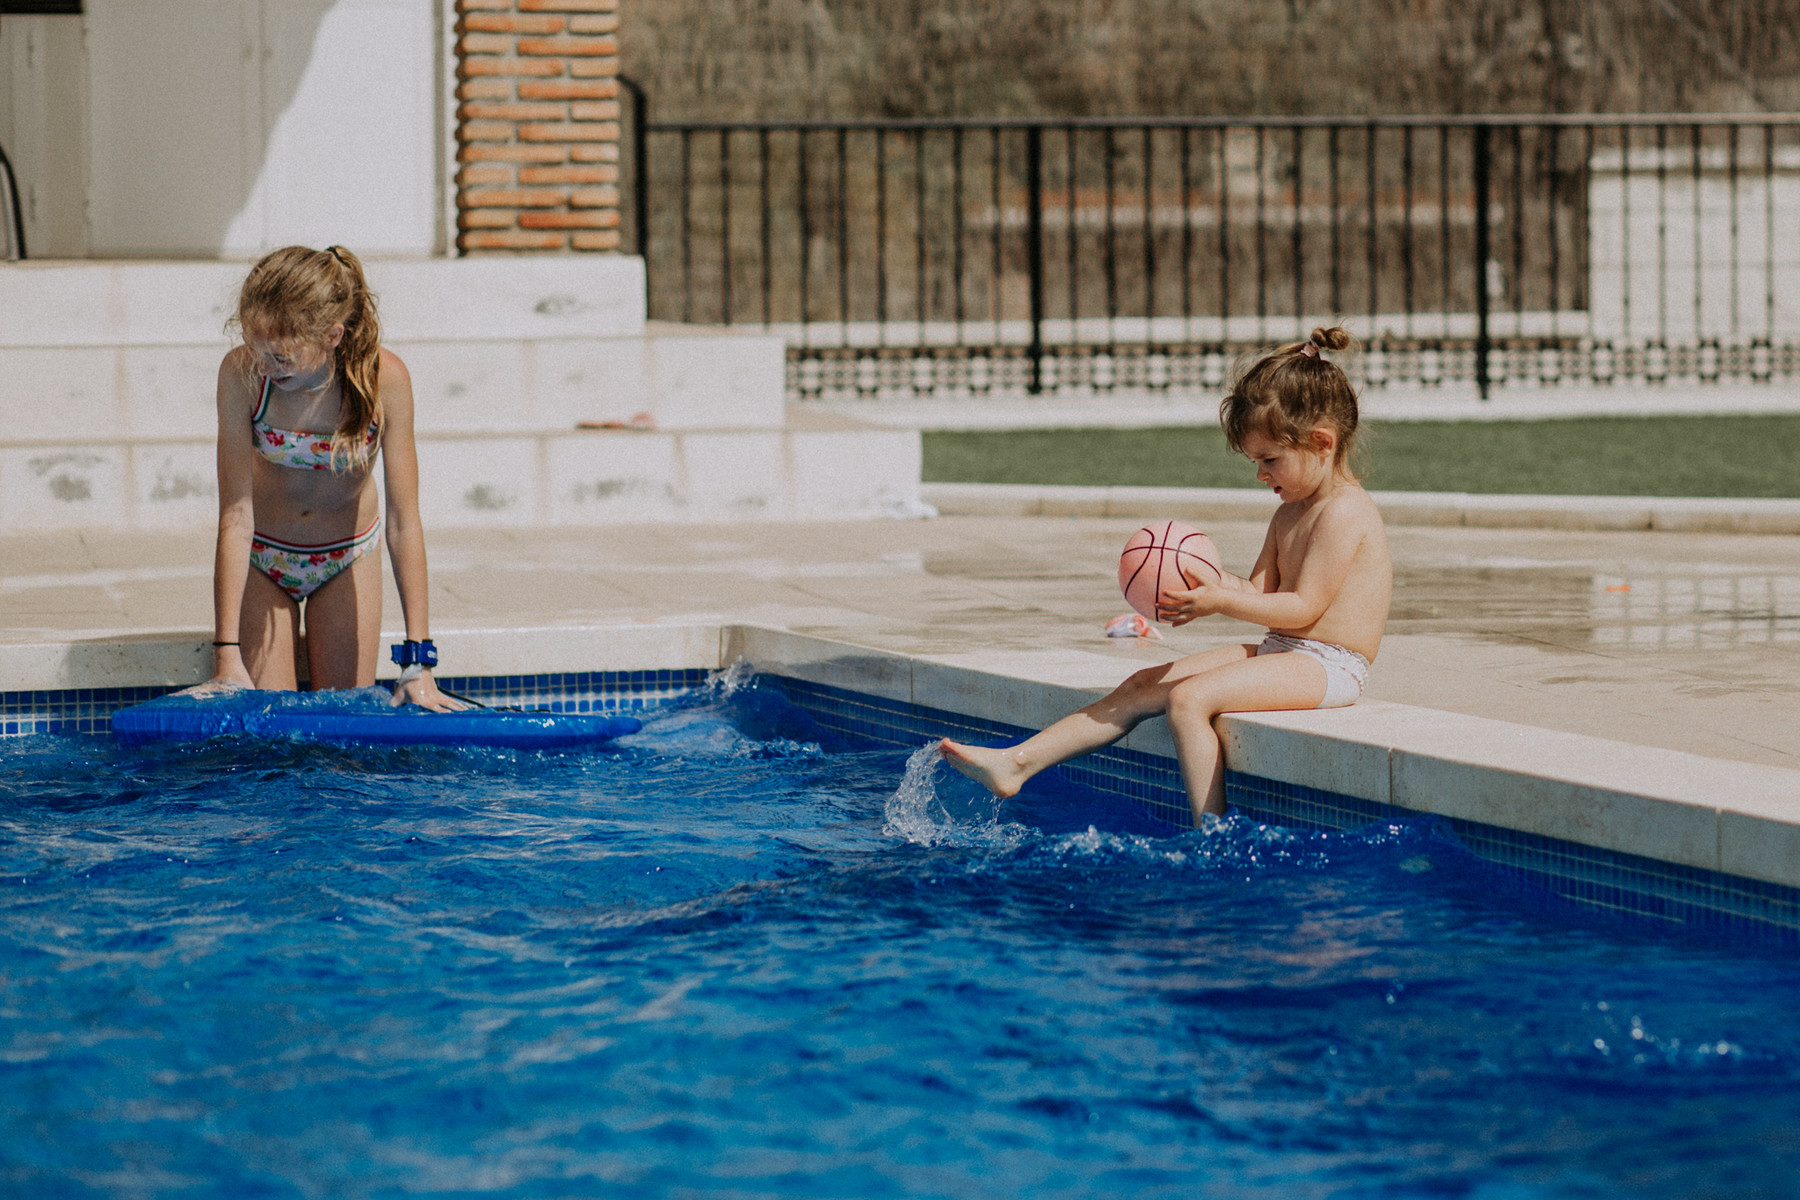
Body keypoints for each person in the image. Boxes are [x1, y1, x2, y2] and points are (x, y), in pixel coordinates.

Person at [941, 326, 1392, 825]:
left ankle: (1211, 834)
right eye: (1255, 461)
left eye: (1270, 460)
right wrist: (1204, 578)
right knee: (1142, 685)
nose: (1261, 475)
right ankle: (1017, 763)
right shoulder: (1289, 512)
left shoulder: (1344, 513)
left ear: (1322, 442)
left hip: (1332, 666)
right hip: (1286, 651)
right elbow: (1262, 592)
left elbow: (1303, 608)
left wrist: (1221, 599)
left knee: (1189, 700)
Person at [190, 245, 459, 710]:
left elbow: (403, 522)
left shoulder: (384, 380)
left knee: (343, 727)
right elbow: (235, 515)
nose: (267, 366)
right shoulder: (242, 375)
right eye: (258, 350)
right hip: (265, 560)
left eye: (282, 357)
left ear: (332, 336)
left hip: (346, 558)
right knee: (274, 732)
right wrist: (226, 654)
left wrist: (419, 661)